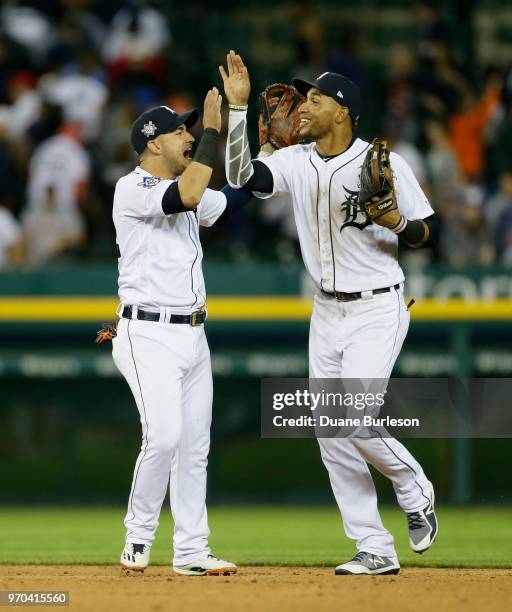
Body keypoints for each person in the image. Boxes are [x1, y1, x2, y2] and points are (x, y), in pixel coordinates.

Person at [220, 50, 439, 576]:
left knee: (355, 421)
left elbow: (432, 235)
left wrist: (398, 221)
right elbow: (238, 175)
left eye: (314, 99)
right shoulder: (296, 161)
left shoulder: (378, 161)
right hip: (326, 311)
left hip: (377, 306)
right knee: (331, 432)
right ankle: (374, 548)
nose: (302, 105)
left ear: (341, 110)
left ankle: (413, 485)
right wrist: (237, 110)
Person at [112, 91, 239, 576]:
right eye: (179, 130)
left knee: (194, 448)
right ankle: (138, 536)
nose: (188, 135)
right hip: (146, 334)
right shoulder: (133, 187)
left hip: (192, 334)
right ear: (152, 144)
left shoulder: (191, 188)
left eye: (191, 129)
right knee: (163, 436)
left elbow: (231, 201)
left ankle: (191, 552)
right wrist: (211, 131)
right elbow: (185, 196)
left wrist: (259, 150)